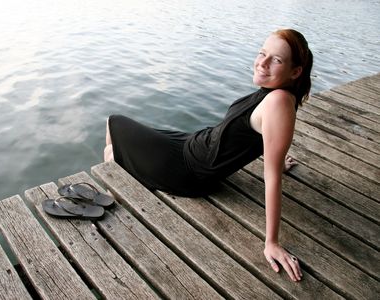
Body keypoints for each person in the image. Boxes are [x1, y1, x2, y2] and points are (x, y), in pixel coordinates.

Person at [104, 29, 313, 282]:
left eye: (276, 60)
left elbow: (271, 179)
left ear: (295, 71)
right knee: (119, 135)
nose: (263, 62)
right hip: (192, 144)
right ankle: (117, 180)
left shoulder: (278, 101)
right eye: (262, 53)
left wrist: (272, 242)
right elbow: (261, 137)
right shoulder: (274, 93)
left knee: (113, 130)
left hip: (186, 168)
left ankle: (111, 194)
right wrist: (278, 162)